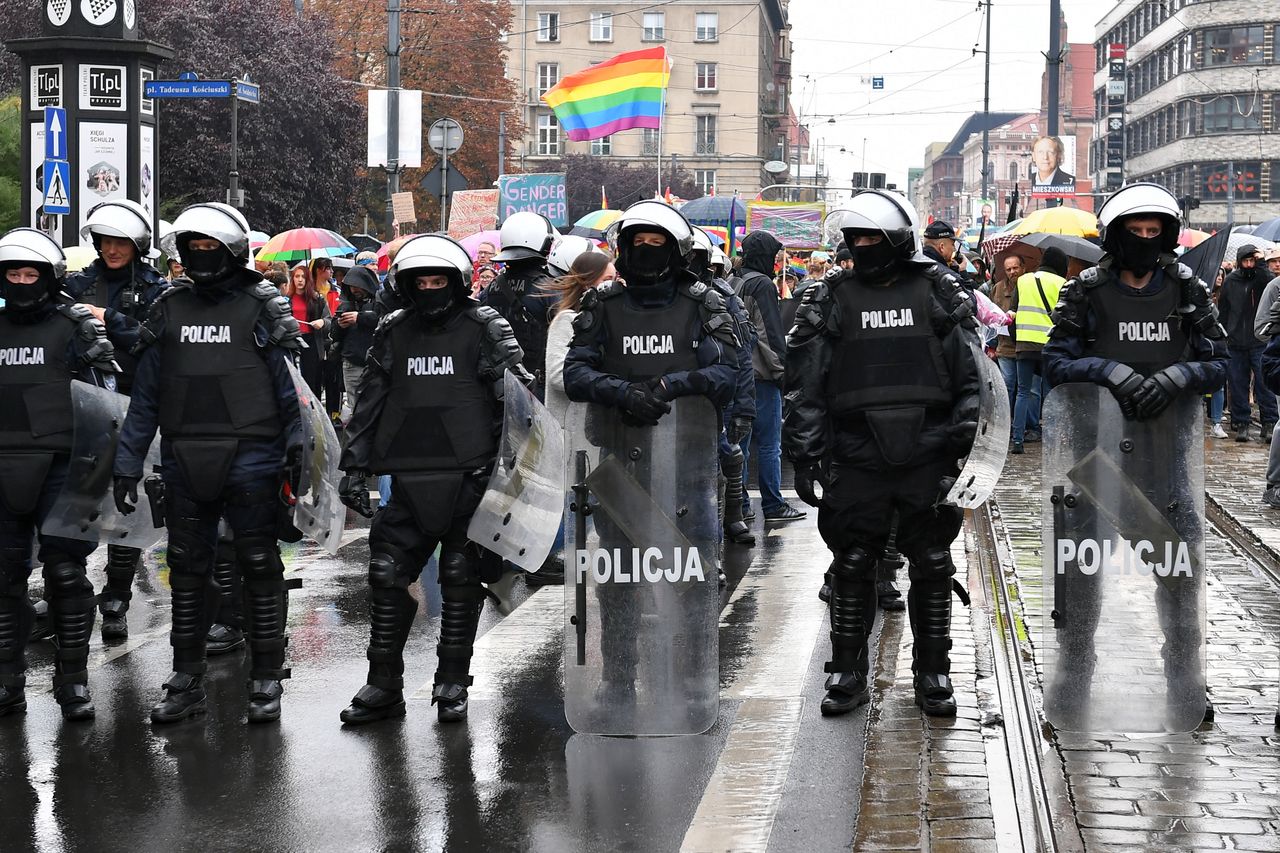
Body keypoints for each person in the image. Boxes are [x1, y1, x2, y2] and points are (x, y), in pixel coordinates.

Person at [784, 190, 980, 717]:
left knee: (933, 563)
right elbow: (806, 379)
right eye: (857, 237)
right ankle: (847, 671)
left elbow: (972, 379)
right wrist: (805, 453)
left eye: (874, 236)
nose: (864, 245)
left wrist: (964, 449)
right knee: (851, 562)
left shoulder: (938, 291)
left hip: (929, 452)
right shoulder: (832, 296)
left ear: (899, 238)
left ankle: (933, 671)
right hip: (856, 451)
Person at [112, 202, 304, 725]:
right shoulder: (168, 308)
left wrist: (299, 456)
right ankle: (185, 677)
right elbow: (147, 396)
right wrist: (127, 462)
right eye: (192, 248)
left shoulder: (264, 306)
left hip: (253, 457)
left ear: (233, 250)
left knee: (260, 565)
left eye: (209, 247)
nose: (200, 256)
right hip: (183, 457)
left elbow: (293, 391)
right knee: (188, 572)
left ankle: (266, 676)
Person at [1042, 181, 1226, 724]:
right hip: (1096, 459)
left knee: (1178, 571)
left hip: (1167, 456)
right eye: (1135, 231)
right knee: (1082, 570)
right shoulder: (1087, 292)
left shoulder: (1187, 289)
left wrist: (1179, 375)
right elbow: (1055, 363)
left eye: (1154, 232)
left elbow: (1218, 361)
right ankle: (1074, 674)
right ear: (1116, 234)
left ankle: (1185, 679)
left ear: (1167, 235)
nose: (1145, 240)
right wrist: (1108, 371)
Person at [337, 235, 529, 725]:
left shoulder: (484, 326)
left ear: (456, 282)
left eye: (437, 280)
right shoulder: (392, 330)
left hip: (471, 477)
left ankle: (451, 683)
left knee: (461, 581)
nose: (428, 288)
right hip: (407, 477)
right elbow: (370, 403)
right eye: (418, 281)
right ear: (404, 284)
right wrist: (353, 466)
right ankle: (382, 683)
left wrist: (507, 475)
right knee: (385, 576)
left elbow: (517, 401)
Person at [563, 201, 738, 708]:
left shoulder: (703, 306)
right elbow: (576, 374)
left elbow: (728, 373)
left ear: (677, 249)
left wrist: (671, 385)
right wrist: (622, 391)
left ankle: (691, 678)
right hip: (619, 461)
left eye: (656, 242)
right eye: (636, 241)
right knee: (616, 577)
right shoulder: (603, 306)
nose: (644, 250)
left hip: (689, 464)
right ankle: (617, 680)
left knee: (691, 572)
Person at [0, 229, 117, 721]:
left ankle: (72, 682)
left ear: (49, 278)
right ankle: (7, 681)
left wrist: (106, 470)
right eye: (14, 274)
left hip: (62, 466)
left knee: (66, 577)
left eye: (32, 274)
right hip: (4, 464)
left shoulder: (75, 327)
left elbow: (106, 398)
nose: (24, 282)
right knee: (4, 581)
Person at [64, 200, 169, 641]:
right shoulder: (76, 284)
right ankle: (69, 591)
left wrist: (112, 319)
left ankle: (117, 598)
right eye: (105, 240)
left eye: (119, 242)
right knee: (77, 503)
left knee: (130, 503)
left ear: (136, 245)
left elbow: (157, 343)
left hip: (135, 407)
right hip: (82, 408)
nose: (111, 249)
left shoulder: (157, 289)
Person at [689, 228, 757, 548]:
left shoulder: (722, 298)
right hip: (671, 400)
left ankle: (726, 523)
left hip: (714, 398)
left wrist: (744, 406)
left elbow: (741, 354)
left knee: (726, 458)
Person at [734, 231, 804, 522]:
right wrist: (783, 373)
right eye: (774, 257)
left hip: (736, 375)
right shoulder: (762, 284)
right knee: (769, 444)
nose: (776, 263)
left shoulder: (734, 279)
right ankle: (773, 505)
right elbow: (770, 334)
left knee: (739, 445)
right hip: (761, 376)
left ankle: (739, 505)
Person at [481, 213, 558, 400]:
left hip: (497, 387)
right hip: (537, 389)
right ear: (544, 245)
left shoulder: (491, 288)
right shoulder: (550, 289)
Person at [1010, 247, 1069, 453]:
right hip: (1050, 347)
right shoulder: (1062, 283)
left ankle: (1017, 440)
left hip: (1024, 344)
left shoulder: (1023, 280)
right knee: (1051, 393)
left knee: (1023, 392)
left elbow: (1013, 314)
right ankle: (1052, 442)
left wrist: (1016, 340)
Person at [1218, 244, 1277, 442]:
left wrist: (1260, 262)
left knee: (1264, 383)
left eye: (1253, 261)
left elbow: (1268, 279)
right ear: (1240, 261)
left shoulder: (1262, 278)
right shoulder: (1231, 281)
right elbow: (1224, 308)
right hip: (1235, 341)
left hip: (1259, 340)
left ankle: (1269, 422)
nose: (1250, 264)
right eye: (1247, 260)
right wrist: (1224, 332)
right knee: (1237, 383)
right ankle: (1241, 422)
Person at [329, 263, 380, 424]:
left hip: (375, 363)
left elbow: (384, 320)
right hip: (352, 362)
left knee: (375, 406)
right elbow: (334, 335)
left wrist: (360, 317)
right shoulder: (345, 305)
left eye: (357, 286)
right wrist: (339, 325)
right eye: (350, 287)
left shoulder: (379, 302)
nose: (354, 290)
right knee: (355, 407)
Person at [284, 262, 332, 398]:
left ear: (308, 279)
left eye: (303, 277)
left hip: (312, 343)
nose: (300, 280)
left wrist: (322, 322)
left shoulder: (317, 299)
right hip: (292, 342)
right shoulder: (286, 300)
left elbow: (330, 320)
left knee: (311, 381)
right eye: (297, 276)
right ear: (292, 279)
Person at [992, 255, 1024, 407]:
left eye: (1015, 268)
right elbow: (990, 317)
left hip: (1026, 346)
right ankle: (1006, 421)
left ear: (1023, 268)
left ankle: (1030, 425)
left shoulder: (1031, 286)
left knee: (1028, 390)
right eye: (1008, 269)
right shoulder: (997, 289)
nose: (1012, 272)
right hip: (1005, 347)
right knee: (1007, 386)